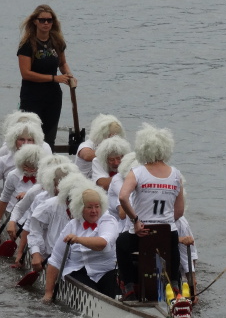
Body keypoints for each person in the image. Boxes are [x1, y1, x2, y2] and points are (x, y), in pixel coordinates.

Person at [117, 123, 184, 300]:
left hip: (141, 234)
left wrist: (136, 221)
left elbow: (123, 197)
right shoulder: (176, 175)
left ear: (143, 148)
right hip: (167, 235)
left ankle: (129, 287)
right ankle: (175, 285)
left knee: (121, 244)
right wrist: (164, 221)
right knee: (173, 243)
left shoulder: (137, 172)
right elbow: (179, 211)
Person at [42, 183, 119, 303]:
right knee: (90, 293)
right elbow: (56, 259)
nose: (94, 211)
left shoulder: (109, 221)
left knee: (115, 292)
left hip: (106, 271)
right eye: (89, 207)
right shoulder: (72, 225)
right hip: (78, 271)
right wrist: (48, 293)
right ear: (80, 208)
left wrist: (78, 239)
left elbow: (102, 243)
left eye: (97, 206)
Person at [17, 5, 73, 150]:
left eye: (49, 20)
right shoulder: (27, 45)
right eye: (42, 20)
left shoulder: (57, 42)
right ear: (35, 21)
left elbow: (62, 63)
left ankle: (47, 160)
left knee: (49, 138)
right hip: (32, 96)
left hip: (53, 97)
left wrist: (69, 75)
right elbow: (26, 73)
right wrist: (54, 78)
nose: (46, 23)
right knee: (30, 136)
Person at [0, 121, 45, 235]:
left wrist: (30, 194)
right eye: (21, 140)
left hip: (37, 215)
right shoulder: (5, 162)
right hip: (12, 213)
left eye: (30, 140)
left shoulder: (45, 161)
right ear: (14, 141)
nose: (25, 144)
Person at [0, 143, 47, 242]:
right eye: (26, 166)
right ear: (20, 163)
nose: (29, 170)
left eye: (34, 167)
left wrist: (28, 194)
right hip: (16, 215)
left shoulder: (46, 177)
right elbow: (4, 200)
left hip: (37, 218)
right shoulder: (13, 175)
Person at [74, 113, 125, 178]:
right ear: (102, 134)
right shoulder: (87, 144)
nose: (114, 139)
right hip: (84, 180)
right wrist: (110, 155)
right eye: (111, 136)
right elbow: (87, 156)